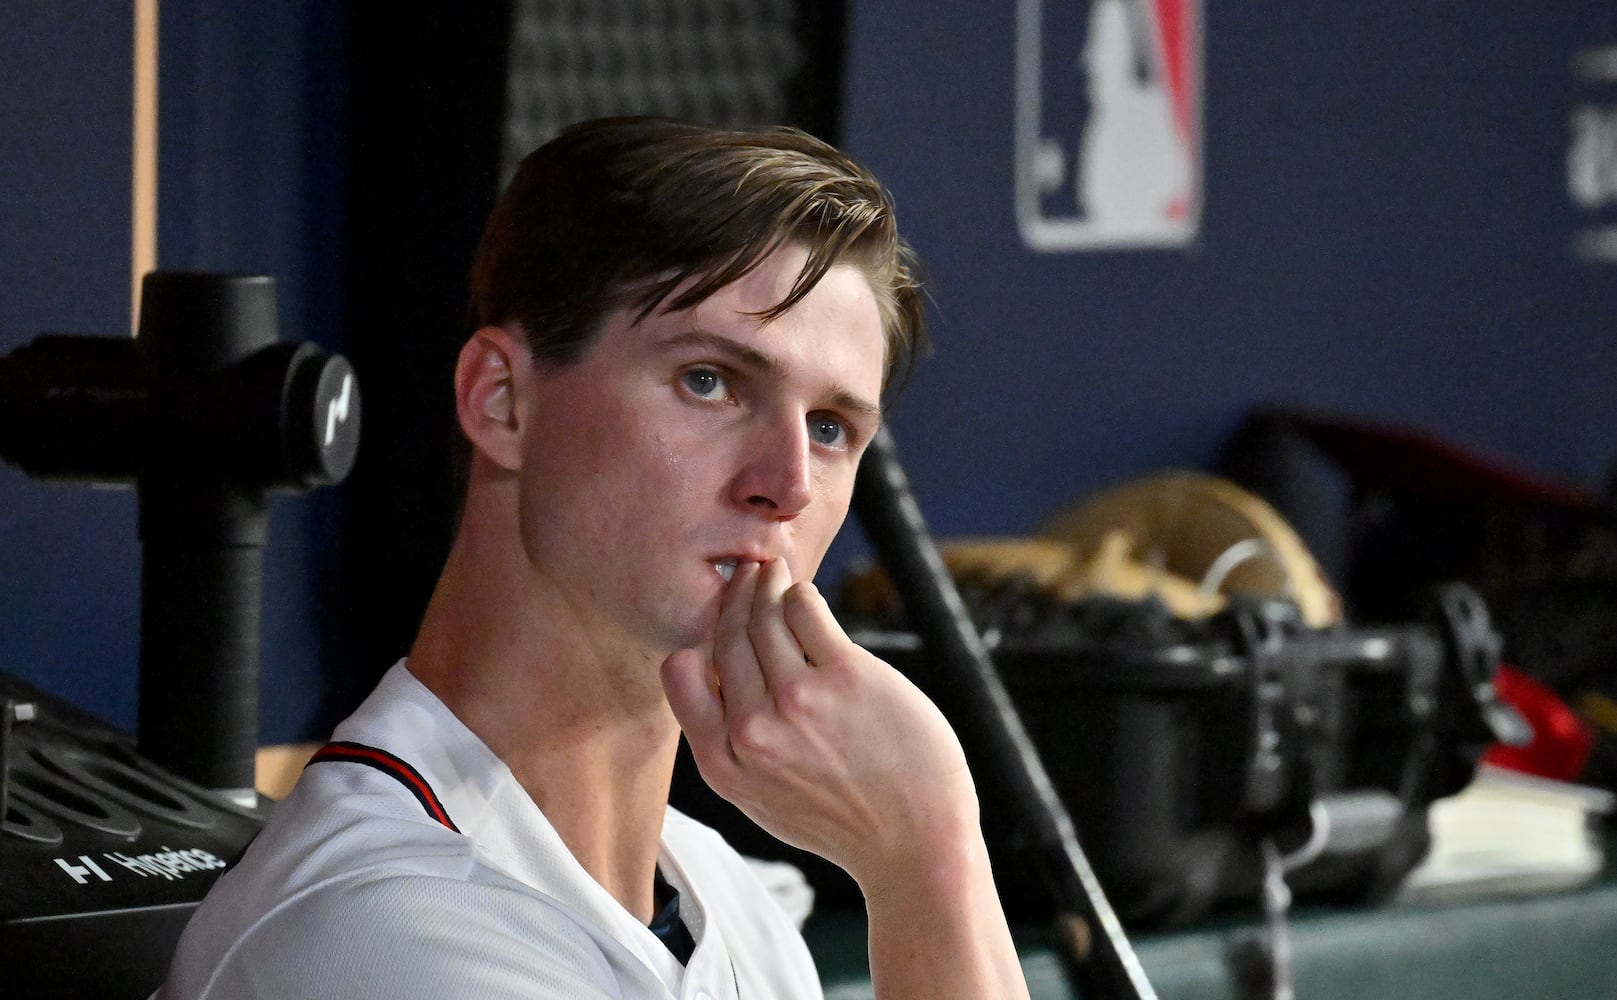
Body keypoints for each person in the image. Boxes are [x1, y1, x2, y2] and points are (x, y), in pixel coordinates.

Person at [157, 117, 1031, 999]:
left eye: (830, 427)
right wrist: (926, 860)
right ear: (501, 401)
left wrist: (928, 854)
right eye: (710, 381)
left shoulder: (726, 898)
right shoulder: (379, 933)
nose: (789, 484)